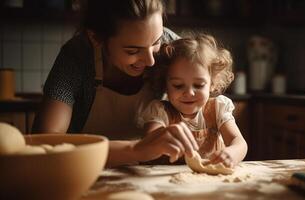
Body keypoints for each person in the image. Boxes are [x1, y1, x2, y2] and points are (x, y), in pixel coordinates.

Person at [32, 0, 199, 167]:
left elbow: (215, 108)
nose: (150, 61)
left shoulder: (171, 47)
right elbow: (46, 141)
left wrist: (225, 147)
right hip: (86, 171)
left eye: (156, 42)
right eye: (132, 51)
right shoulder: (77, 56)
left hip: (152, 174)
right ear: (96, 38)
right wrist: (136, 150)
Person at [139, 34, 248, 167]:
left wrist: (232, 153)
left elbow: (239, 143)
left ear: (212, 83)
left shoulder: (218, 108)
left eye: (198, 85)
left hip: (209, 182)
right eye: (178, 85)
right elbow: (147, 145)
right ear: (165, 85)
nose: (189, 93)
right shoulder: (159, 112)